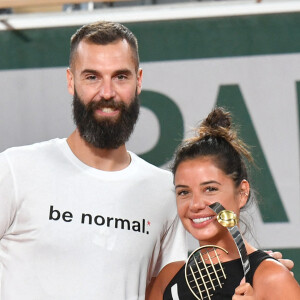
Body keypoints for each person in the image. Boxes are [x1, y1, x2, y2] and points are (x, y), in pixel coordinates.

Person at [0, 21, 187, 299]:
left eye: (120, 77)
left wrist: (257, 268)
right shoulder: (15, 170)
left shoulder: (164, 192)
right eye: (92, 77)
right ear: (70, 81)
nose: (107, 93)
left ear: (139, 80)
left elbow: (164, 293)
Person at [147, 107, 300, 299]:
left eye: (210, 189)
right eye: (184, 192)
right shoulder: (168, 279)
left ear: (242, 193)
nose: (195, 204)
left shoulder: (272, 278)